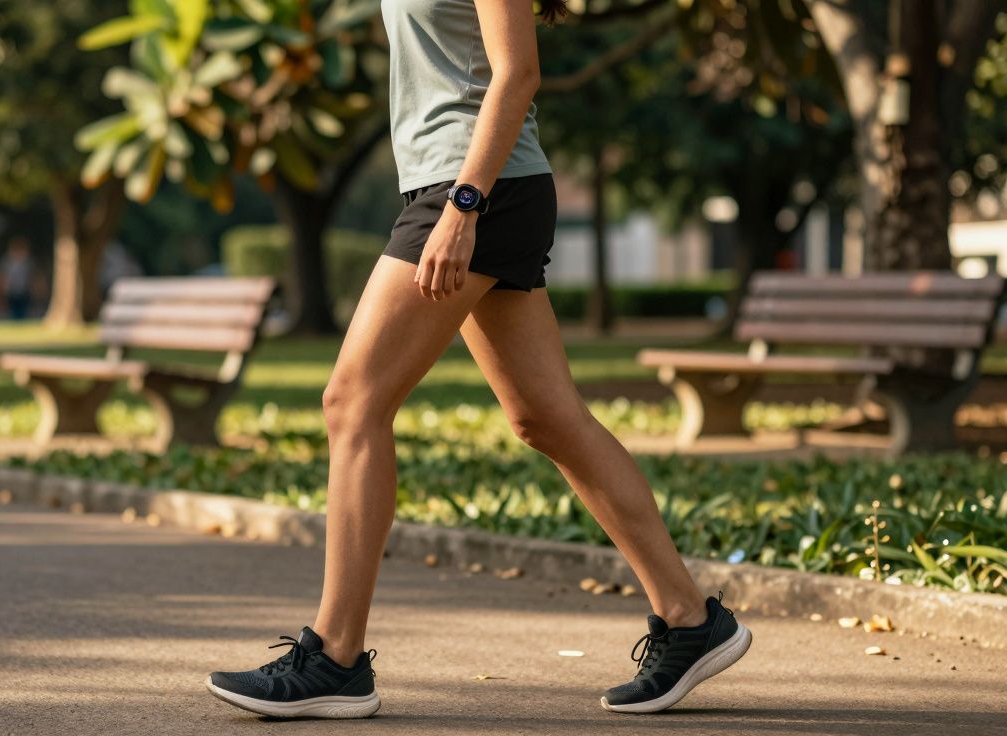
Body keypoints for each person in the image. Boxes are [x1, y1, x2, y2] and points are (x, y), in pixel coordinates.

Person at [206, 0, 751, 719]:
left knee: (352, 402)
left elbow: (518, 73)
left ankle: (335, 656)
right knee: (545, 418)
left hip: (475, 189)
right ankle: (689, 619)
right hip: (470, 186)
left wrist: (463, 209)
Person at [0, 237, 44, 320]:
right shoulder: (6, 261)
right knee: (12, 313)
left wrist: (37, 290)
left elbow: (34, 277)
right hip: (11, 291)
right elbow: (0, 276)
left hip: (24, 291)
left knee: (23, 312)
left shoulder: (29, 262)